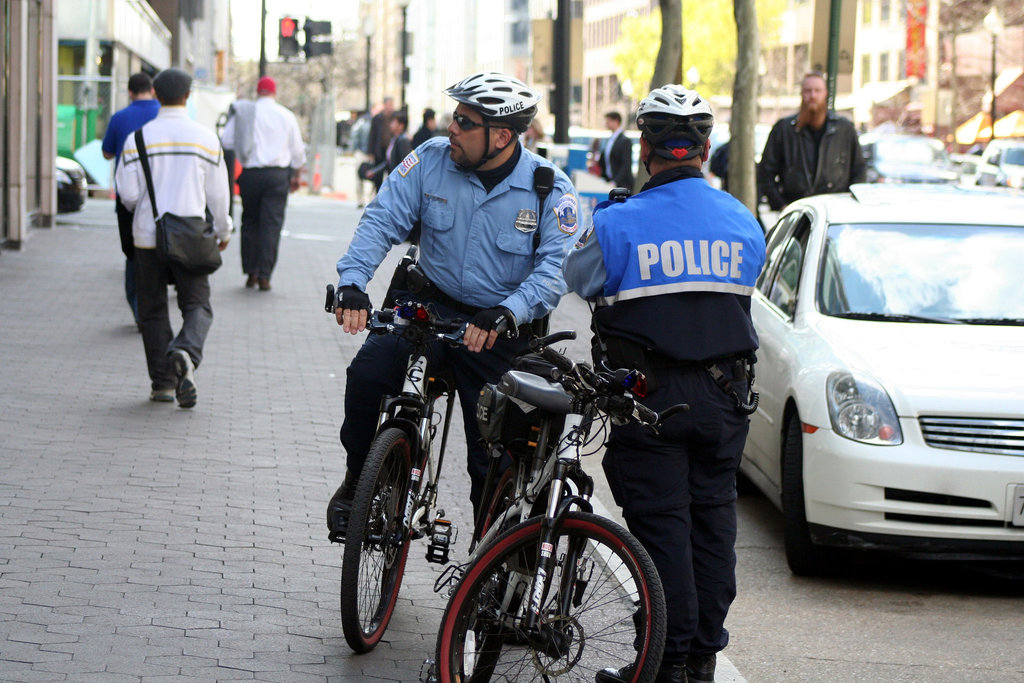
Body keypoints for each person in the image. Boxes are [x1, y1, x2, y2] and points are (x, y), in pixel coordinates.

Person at [563, 85, 766, 683]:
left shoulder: (620, 222)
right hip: (726, 398)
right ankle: (701, 653)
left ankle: (667, 660)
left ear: (646, 148)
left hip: (649, 401)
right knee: (714, 523)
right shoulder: (742, 221)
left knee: (661, 528)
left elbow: (579, 279)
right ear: (704, 149)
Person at [326, 71, 580, 542]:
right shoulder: (429, 159)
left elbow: (555, 270)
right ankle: (359, 481)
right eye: (453, 117)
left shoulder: (550, 189)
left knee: (497, 457)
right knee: (367, 376)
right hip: (428, 305)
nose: (452, 129)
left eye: (465, 122)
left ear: (501, 136)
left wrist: (508, 311)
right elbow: (382, 220)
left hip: (498, 326)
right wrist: (353, 283)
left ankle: (491, 565)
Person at [114, 68, 232, 408]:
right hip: (192, 237)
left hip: (148, 237)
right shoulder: (206, 138)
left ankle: (163, 384)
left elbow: (129, 196)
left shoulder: (136, 139)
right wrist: (223, 232)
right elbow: (219, 196)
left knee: (151, 310)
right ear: (188, 95)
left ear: (155, 94)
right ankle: (186, 350)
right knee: (197, 304)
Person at [221, 76, 304, 291]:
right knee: (271, 225)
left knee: (250, 221)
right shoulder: (286, 115)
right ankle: (265, 275)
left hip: (251, 174)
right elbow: (298, 152)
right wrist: (296, 174)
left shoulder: (245, 113)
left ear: (257, 92)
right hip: (277, 176)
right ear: (274, 93)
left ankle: (251, 272)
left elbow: (227, 141)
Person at [102, 72, 161, 330]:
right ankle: (155, 308)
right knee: (158, 252)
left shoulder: (119, 117)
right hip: (161, 197)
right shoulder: (164, 115)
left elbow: (107, 152)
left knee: (132, 253)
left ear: (129, 92)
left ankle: (138, 309)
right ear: (152, 90)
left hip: (128, 198)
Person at [758, 72, 866, 211]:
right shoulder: (784, 129)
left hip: (834, 212)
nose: (813, 96)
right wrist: (781, 205)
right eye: (808, 91)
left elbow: (859, 170)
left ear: (825, 93)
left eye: (817, 90)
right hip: (797, 212)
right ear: (802, 94)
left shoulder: (844, 129)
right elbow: (765, 173)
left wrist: (849, 205)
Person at [596, 110, 634, 189]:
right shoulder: (609, 140)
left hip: (621, 185)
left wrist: (615, 182)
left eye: (608, 121)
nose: (606, 124)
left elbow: (626, 164)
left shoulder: (625, 141)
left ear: (616, 121)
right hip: (608, 182)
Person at [366, 96, 395, 192]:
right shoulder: (377, 118)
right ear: (385, 105)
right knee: (378, 176)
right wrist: (370, 152)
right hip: (379, 150)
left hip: (391, 151)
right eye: (389, 104)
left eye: (392, 105)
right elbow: (372, 136)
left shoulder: (395, 118)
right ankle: (378, 194)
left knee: (391, 174)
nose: (390, 107)